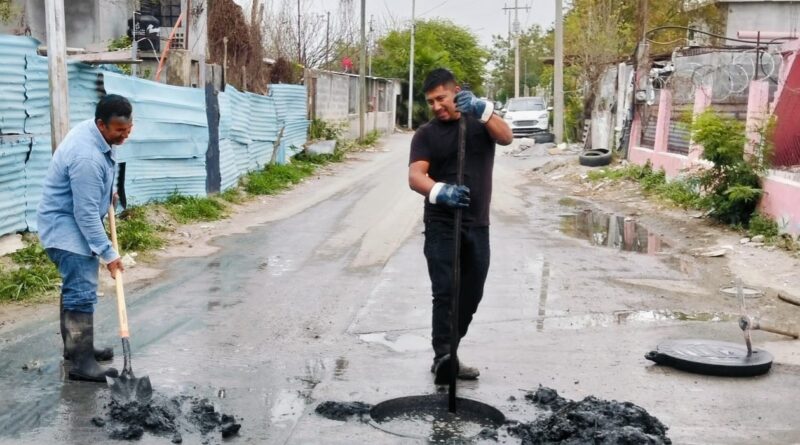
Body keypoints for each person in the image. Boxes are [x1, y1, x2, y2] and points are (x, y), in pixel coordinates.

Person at [408, 68, 513, 384]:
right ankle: (443, 356)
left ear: (456, 91)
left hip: (477, 223)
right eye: (431, 102)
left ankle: (451, 348)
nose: (437, 106)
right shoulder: (426, 134)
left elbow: (506, 137)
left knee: (472, 292)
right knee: (446, 291)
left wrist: (483, 110)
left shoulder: (479, 126)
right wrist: (441, 191)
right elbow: (415, 177)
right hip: (441, 224)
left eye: (441, 98)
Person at [38, 94, 134, 382]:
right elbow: (86, 215)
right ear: (101, 125)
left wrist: (108, 193)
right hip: (65, 228)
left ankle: (76, 347)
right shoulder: (87, 156)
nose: (125, 135)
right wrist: (109, 253)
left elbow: (90, 192)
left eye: (129, 128)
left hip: (69, 220)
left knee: (75, 287)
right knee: (81, 289)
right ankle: (82, 363)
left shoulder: (98, 136)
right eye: (119, 130)